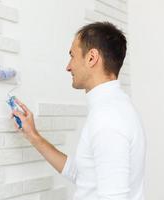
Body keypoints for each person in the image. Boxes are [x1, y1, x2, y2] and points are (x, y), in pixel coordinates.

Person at [12, 22, 146, 200]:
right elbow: (85, 176)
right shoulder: (115, 108)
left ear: (92, 58)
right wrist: (33, 136)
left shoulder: (108, 117)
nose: (68, 67)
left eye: (72, 56)